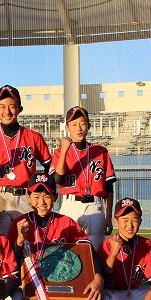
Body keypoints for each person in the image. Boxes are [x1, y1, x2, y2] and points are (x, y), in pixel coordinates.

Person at [7, 172, 104, 300]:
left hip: (58, 280)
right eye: (36, 196)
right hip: (28, 282)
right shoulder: (20, 223)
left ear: (55, 197)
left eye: (47, 196)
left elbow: (88, 249)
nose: (42, 202)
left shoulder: (66, 222)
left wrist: (98, 277)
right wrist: (20, 241)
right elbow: (10, 259)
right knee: (21, 299)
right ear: (28, 198)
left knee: (85, 298)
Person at [0, 85, 52, 237]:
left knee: (30, 243)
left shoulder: (33, 137)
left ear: (19, 109)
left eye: (11, 106)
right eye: (2, 107)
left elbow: (50, 168)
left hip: (26, 195)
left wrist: (44, 193)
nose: (7, 112)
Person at [50, 106, 116, 250]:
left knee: (97, 249)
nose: (78, 128)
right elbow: (57, 180)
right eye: (74, 124)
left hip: (95, 205)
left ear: (88, 126)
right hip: (71, 204)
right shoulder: (61, 152)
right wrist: (64, 151)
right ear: (67, 128)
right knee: (67, 248)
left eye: (82, 123)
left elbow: (109, 188)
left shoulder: (101, 151)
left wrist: (108, 217)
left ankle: (96, 273)